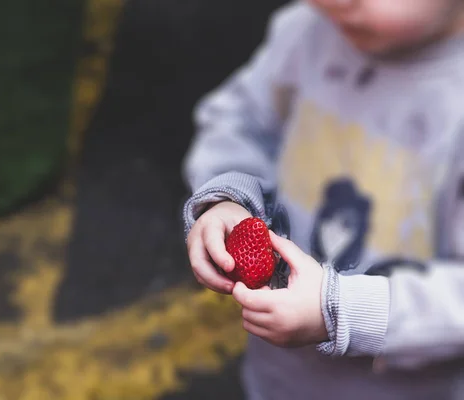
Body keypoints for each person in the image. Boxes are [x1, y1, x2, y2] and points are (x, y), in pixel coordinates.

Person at [181, 0, 464, 398]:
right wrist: (228, 198)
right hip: (280, 379)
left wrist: (342, 311)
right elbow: (240, 122)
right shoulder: (309, 32)